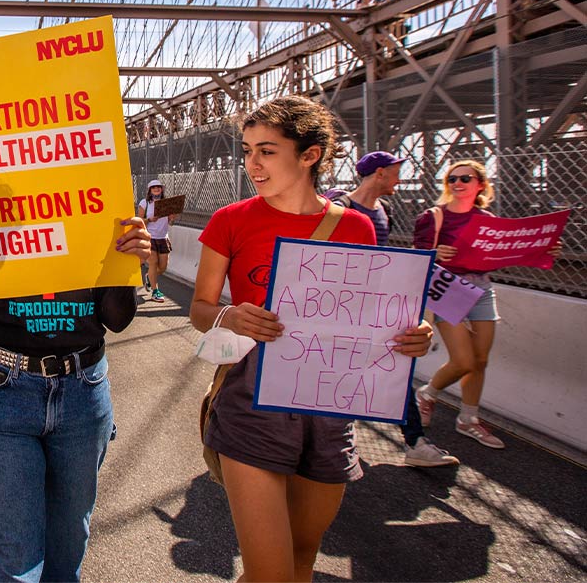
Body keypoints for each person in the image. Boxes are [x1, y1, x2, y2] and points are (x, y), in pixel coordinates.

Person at [191, 96, 434, 583]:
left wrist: (412, 336)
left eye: (266, 151)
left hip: (330, 406)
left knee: (302, 559)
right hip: (251, 401)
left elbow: (365, 316)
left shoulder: (356, 227)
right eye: (247, 151)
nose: (252, 165)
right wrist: (231, 316)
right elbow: (200, 312)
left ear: (310, 155)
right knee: (271, 573)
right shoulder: (231, 220)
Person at [0, 173, 151, 582]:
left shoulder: (93, 207)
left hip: (83, 393)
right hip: (1, 391)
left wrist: (126, 261)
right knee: (13, 566)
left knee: (67, 553)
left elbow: (117, 319)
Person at [413, 160, 560, 450]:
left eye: (465, 178)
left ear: (480, 184)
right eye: (452, 178)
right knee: (463, 361)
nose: (458, 182)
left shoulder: (487, 219)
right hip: (448, 290)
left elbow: (509, 249)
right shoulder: (433, 217)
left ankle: (468, 418)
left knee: (480, 360)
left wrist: (544, 247)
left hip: (481, 289)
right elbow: (416, 257)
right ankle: (427, 393)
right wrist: (434, 251)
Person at [330, 151, 458, 468]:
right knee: (339, 371)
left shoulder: (384, 209)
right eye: (398, 171)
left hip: (378, 304)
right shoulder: (340, 207)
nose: (401, 178)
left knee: (396, 368)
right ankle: (332, 439)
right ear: (381, 173)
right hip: (344, 307)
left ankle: (415, 442)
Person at [137, 179, 175, 303]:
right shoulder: (145, 203)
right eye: (154, 188)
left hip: (163, 238)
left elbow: (171, 223)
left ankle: (149, 277)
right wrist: (150, 219)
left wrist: (172, 218)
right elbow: (139, 221)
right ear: (149, 190)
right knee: (153, 263)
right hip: (150, 237)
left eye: (158, 187)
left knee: (163, 267)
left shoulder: (166, 203)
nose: (156, 189)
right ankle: (155, 291)